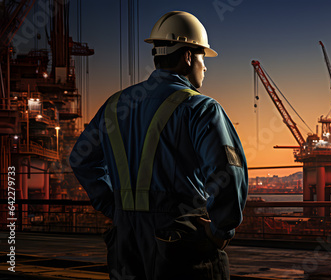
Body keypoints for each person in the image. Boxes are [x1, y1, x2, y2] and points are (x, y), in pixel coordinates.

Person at [69, 11, 248, 280]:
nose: (205, 66)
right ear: (188, 56)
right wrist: (220, 231)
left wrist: (113, 206)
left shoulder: (115, 106)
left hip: (125, 244)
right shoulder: (201, 109)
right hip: (181, 242)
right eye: (202, 56)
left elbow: (81, 159)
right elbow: (228, 172)